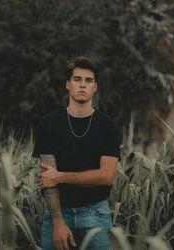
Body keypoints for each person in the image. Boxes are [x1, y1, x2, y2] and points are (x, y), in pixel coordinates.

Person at [32, 56, 120, 250]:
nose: (82, 85)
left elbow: (105, 177)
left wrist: (60, 177)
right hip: (57, 214)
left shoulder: (108, 127)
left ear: (95, 87)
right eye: (77, 79)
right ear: (67, 84)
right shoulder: (48, 124)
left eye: (88, 81)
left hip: (96, 214)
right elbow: (48, 180)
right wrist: (58, 222)